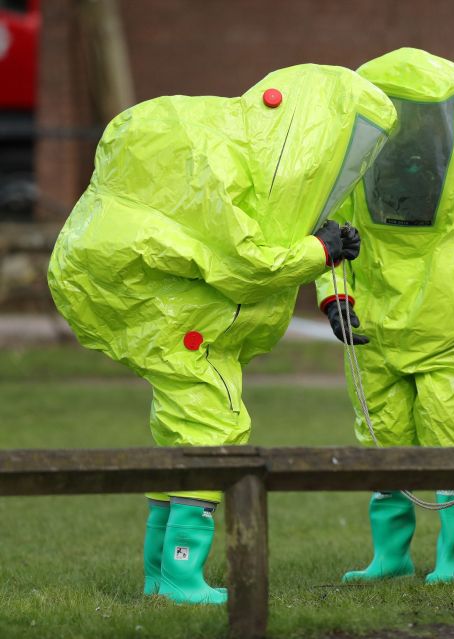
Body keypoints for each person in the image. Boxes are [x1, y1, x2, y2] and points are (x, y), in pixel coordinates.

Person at [47, 65, 397, 604]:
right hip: (173, 320)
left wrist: (320, 248)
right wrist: (320, 251)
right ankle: (182, 576)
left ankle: (161, 575)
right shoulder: (227, 163)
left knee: (181, 434)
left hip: (178, 318)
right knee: (214, 428)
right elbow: (247, 264)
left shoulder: (239, 154)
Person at [316, 48, 454, 584]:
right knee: (382, 441)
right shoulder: (354, 158)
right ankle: (391, 556)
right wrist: (336, 296)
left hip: (450, 332)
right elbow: (328, 229)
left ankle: (450, 558)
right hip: (375, 330)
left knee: (452, 441)